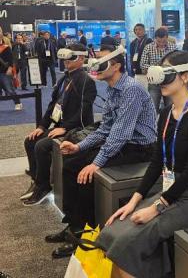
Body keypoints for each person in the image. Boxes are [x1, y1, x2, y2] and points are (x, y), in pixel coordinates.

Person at [98, 51, 188, 278]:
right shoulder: (165, 113)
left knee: (127, 243)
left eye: (166, 75)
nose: (160, 81)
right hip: (169, 191)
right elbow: (156, 163)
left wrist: (156, 208)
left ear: (185, 77)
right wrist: (134, 201)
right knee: (113, 230)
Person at [50, 44, 156, 258]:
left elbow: (121, 134)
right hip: (123, 143)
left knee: (87, 172)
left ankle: (86, 234)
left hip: (140, 148)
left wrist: (96, 163)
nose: (95, 65)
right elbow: (106, 128)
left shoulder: (131, 89)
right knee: (72, 162)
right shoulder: (112, 89)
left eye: (101, 61)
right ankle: (74, 224)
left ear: (116, 65)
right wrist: (79, 146)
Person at [21, 44, 96, 206]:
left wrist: (66, 128)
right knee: (30, 140)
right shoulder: (64, 78)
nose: (66, 62)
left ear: (81, 58)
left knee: (41, 146)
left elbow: (84, 111)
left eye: (71, 58)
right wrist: (42, 126)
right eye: (65, 58)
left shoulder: (86, 81)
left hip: (77, 129)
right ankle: (37, 180)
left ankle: (44, 187)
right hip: (59, 125)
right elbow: (53, 105)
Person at [141, 28, 177, 112]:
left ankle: (169, 124)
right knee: (152, 108)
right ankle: (153, 124)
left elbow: (177, 63)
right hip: (154, 82)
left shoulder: (173, 47)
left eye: (163, 42)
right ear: (155, 38)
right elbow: (142, 64)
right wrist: (156, 69)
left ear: (167, 38)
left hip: (169, 82)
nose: (161, 44)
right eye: (159, 42)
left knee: (170, 108)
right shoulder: (148, 48)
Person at [0, 36, 22, 110]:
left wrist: (10, 68)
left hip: (4, 72)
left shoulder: (6, 47)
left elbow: (10, 59)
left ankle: (18, 103)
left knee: (9, 89)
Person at [129, 23, 153, 88]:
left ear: (144, 31)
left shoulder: (149, 41)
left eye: (140, 29)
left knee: (147, 91)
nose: (138, 31)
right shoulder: (133, 43)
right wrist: (132, 70)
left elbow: (151, 57)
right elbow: (131, 57)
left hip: (146, 71)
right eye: (136, 30)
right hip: (136, 70)